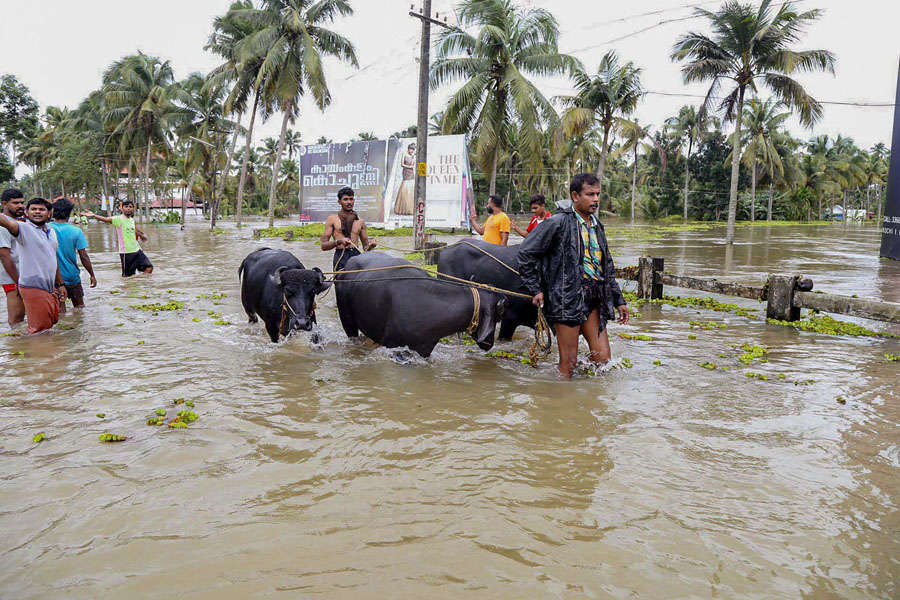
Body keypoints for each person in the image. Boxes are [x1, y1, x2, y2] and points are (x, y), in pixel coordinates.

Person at [517, 173, 629, 378]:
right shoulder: (557, 223)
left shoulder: (597, 225)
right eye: (590, 194)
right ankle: (559, 404)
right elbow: (525, 253)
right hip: (566, 299)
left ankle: (583, 400)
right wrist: (536, 289)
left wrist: (618, 299)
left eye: (597, 194)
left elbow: (607, 265)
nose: (596, 199)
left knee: (602, 359)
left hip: (594, 297)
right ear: (575, 196)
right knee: (568, 364)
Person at [0, 197, 66, 334]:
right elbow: (6, 222)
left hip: (49, 287)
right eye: (33, 209)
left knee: (50, 323)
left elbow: (52, 259)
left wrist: (60, 284)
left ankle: (45, 352)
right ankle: (38, 353)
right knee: (39, 330)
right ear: (27, 212)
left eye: (41, 209)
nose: (37, 212)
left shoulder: (51, 232)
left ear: (49, 213)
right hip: (33, 286)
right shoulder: (23, 228)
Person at [82, 200, 153, 277]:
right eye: (126, 207)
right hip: (127, 253)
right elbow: (106, 219)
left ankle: (140, 283)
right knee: (127, 277)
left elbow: (133, 228)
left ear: (133, 209)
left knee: (149, 268)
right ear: (122, 209)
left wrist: (140, 235)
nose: (128, 208)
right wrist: (94, 216)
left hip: (137, 250)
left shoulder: (131, 220)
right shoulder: (118, 219)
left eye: (130, 207)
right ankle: (127, 287)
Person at [49, 197, 97, 310]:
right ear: (69, 213)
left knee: (60, 310)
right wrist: (92, 275)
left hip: (53, 277)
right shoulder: (76, 231)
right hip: (72, 276)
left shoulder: (46, 229)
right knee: (80, 307)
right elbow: (83, 256)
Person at [321, 187, 377, 271]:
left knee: (358, 282)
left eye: (351, 199)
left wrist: (371, 246)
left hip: (356, 256)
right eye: (345, 199)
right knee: (340, 282)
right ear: (339, 202)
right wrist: (338, 242)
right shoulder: (332, 219)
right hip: (341, 255)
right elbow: (323, 246)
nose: (349, 202)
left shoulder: (360, 222)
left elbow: (365, 248)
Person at [1, 189, 26, 326]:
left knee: (22, 317)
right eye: (15, 203)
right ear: (5, 203)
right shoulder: (3, 225)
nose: (20, 206)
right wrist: (18, 282)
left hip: (21, 277)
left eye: (22, 202)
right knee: (16, 319)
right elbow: (5, 256)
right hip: (12, 279)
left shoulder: (17, 222)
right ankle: (15, 346)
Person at [392, 142, 416, 216]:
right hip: (406, 173)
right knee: (405, 188)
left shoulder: (413, 156)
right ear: (408, 149)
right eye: (410, 149)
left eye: (413, 149)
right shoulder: (404, 154)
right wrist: (409, 167)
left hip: (411, 173)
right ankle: (403, 208)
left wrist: (413, 159)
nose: (411, 151)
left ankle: (410, 208)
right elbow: (402, 164)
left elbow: (413, 164)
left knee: (411, 190)